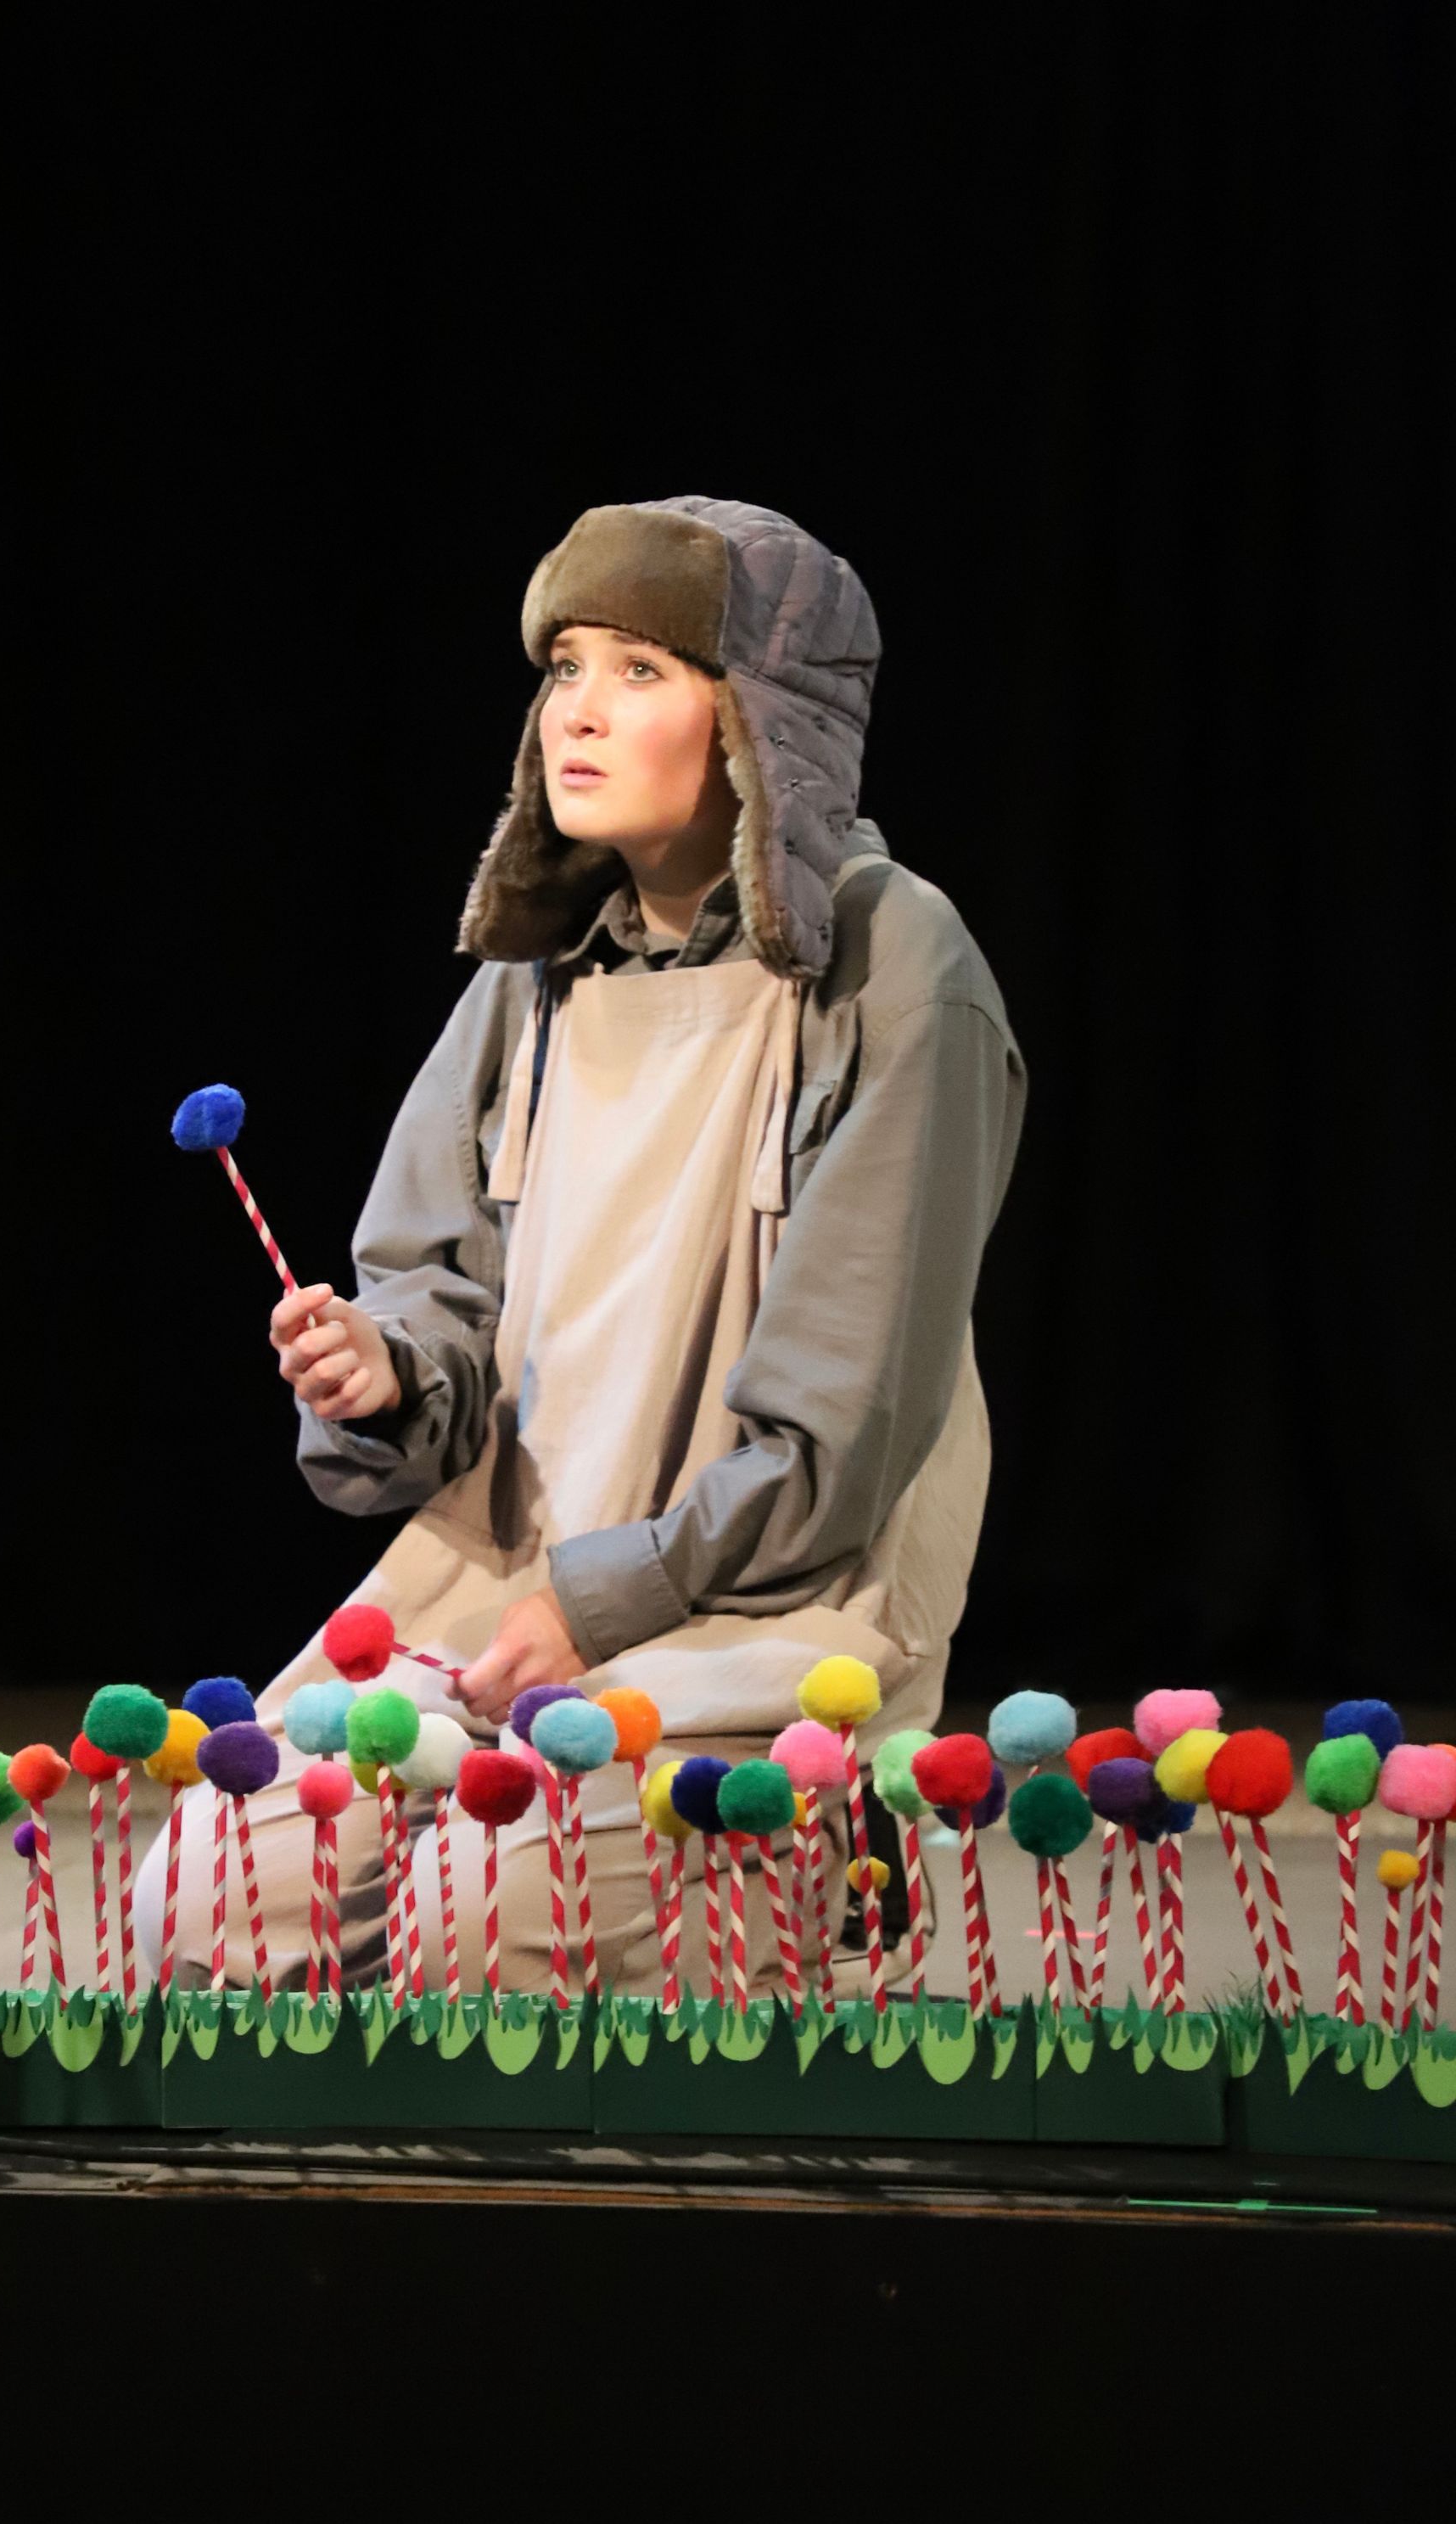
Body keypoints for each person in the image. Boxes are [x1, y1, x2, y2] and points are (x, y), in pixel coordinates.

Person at [136, 495, 1027, 1996]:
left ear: (762, 720)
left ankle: (835, 1866)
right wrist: (387, 1372)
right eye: (564, 669)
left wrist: (597, 1606)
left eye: (640, 669)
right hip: (498, 1603)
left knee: (480, 1921)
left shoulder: (896, 968)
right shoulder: (534, 981)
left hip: (761, 1618)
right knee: (209, 1888)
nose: (578, 713)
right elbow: (438, 1297)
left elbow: (842, 1430)